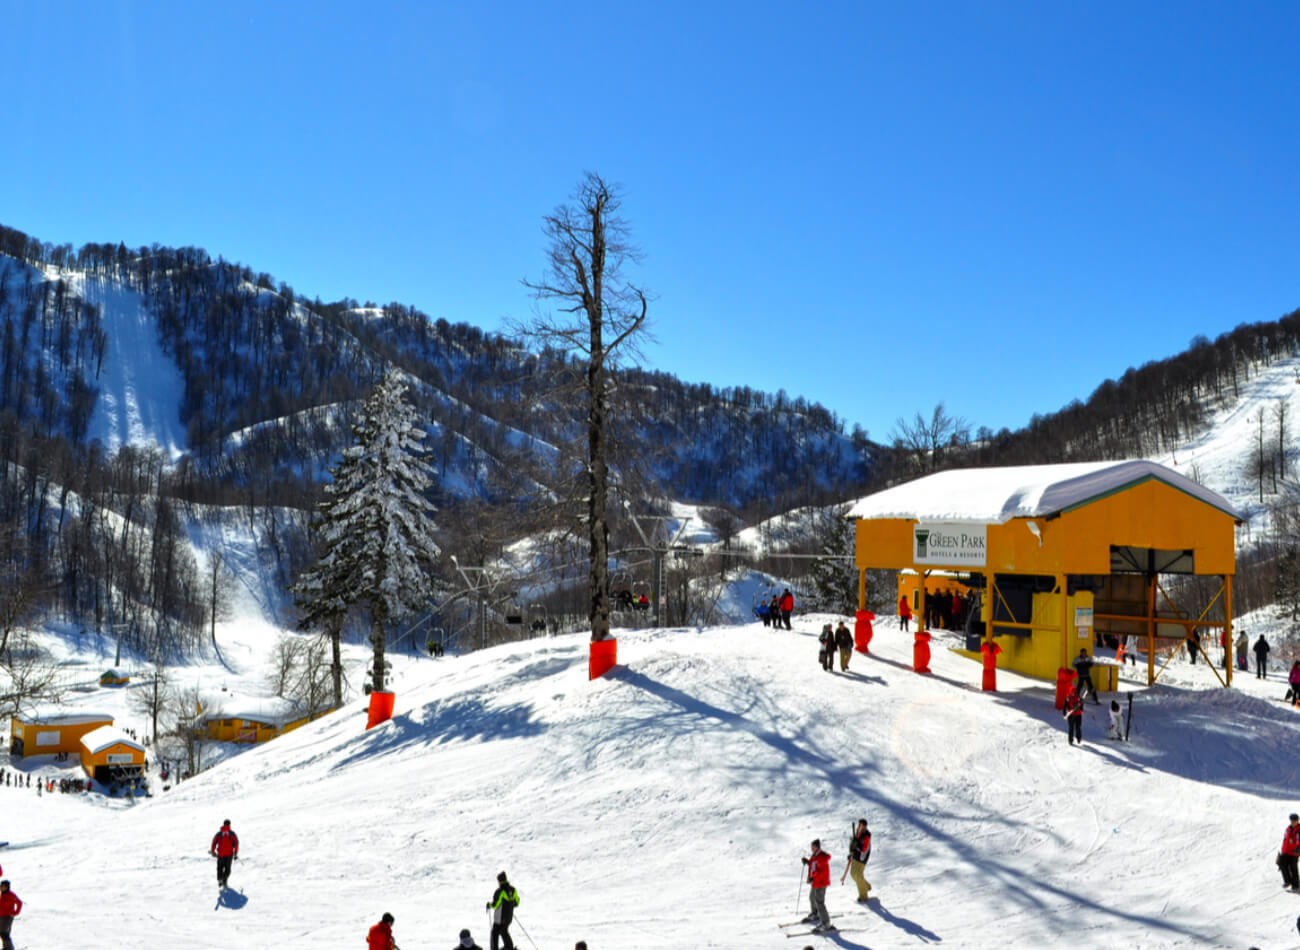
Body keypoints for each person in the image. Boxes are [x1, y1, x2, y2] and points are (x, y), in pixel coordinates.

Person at [800, 839, 835, 933]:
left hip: (821, 882)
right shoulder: (815, 855)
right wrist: (807, 862)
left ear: (817, 847)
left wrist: (813, 877)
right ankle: (815, 914)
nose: (811, 849)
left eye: (813, 847)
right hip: (816, 882)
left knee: (819, 902)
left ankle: (826, 923)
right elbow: (813, 865)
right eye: (811, 847)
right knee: (812, 898)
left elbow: (822, 872)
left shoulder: (822, 857)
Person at [840, 818, 872, 903]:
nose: (862, 827)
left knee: (857, 875)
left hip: (862, 858)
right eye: (861, 825)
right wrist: (850, 852)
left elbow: (864, 848)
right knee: (853, 875)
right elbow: (852, 845)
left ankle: (863, 896)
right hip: (855, 857)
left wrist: (857, 845)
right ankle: (866, 886)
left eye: (864, 826)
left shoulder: (867, 836)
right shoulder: (856, 834)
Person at [486, 870, 520, 950]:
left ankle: (496, 948)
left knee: (495, 932)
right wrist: (509, 906)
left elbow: (495, 904)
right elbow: (517, 903)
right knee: (504, 931)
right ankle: (509, 947)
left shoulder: (500, 891)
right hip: (509, 917)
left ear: (499, 881)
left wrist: (489, 905)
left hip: (500, 918)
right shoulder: (513, 889)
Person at [210, 818, 239, 889]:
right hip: (229, 855)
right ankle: (224, 880)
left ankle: (220, 880)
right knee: (227, 869)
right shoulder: (232, 834)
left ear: (223, 824)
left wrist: (213, 851)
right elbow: (236, 843)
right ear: (229, 825)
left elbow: (214, 842)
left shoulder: (219, 834)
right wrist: (235, 853)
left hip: (220, 855)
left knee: (220, 868)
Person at [1278, 813, 1300, 891]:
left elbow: (1299, 840)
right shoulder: (1288, 829)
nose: (1293, 822)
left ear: (1298, 821)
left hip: (1294, 852)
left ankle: (1296, 885)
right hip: (1286, 851)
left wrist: (1298, 848)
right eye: (1292, 820)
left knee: (1293, 868)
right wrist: (1283, 850)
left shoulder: (1298, 830)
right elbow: (1285, 840)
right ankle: (1287, 881)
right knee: (1281, 863)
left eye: (1295, 820)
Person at [0, 880, 20, 950]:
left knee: (4, 933)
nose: (1, 888)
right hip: (1, 915)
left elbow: (19, 902)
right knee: (3, 933)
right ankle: (6, 947)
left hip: (8, 916)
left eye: (3, 886)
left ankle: (9, 948)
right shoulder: (1, 894)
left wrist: (16, 912)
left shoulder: (11, 895)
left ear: (7, 887)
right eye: (1, 886)